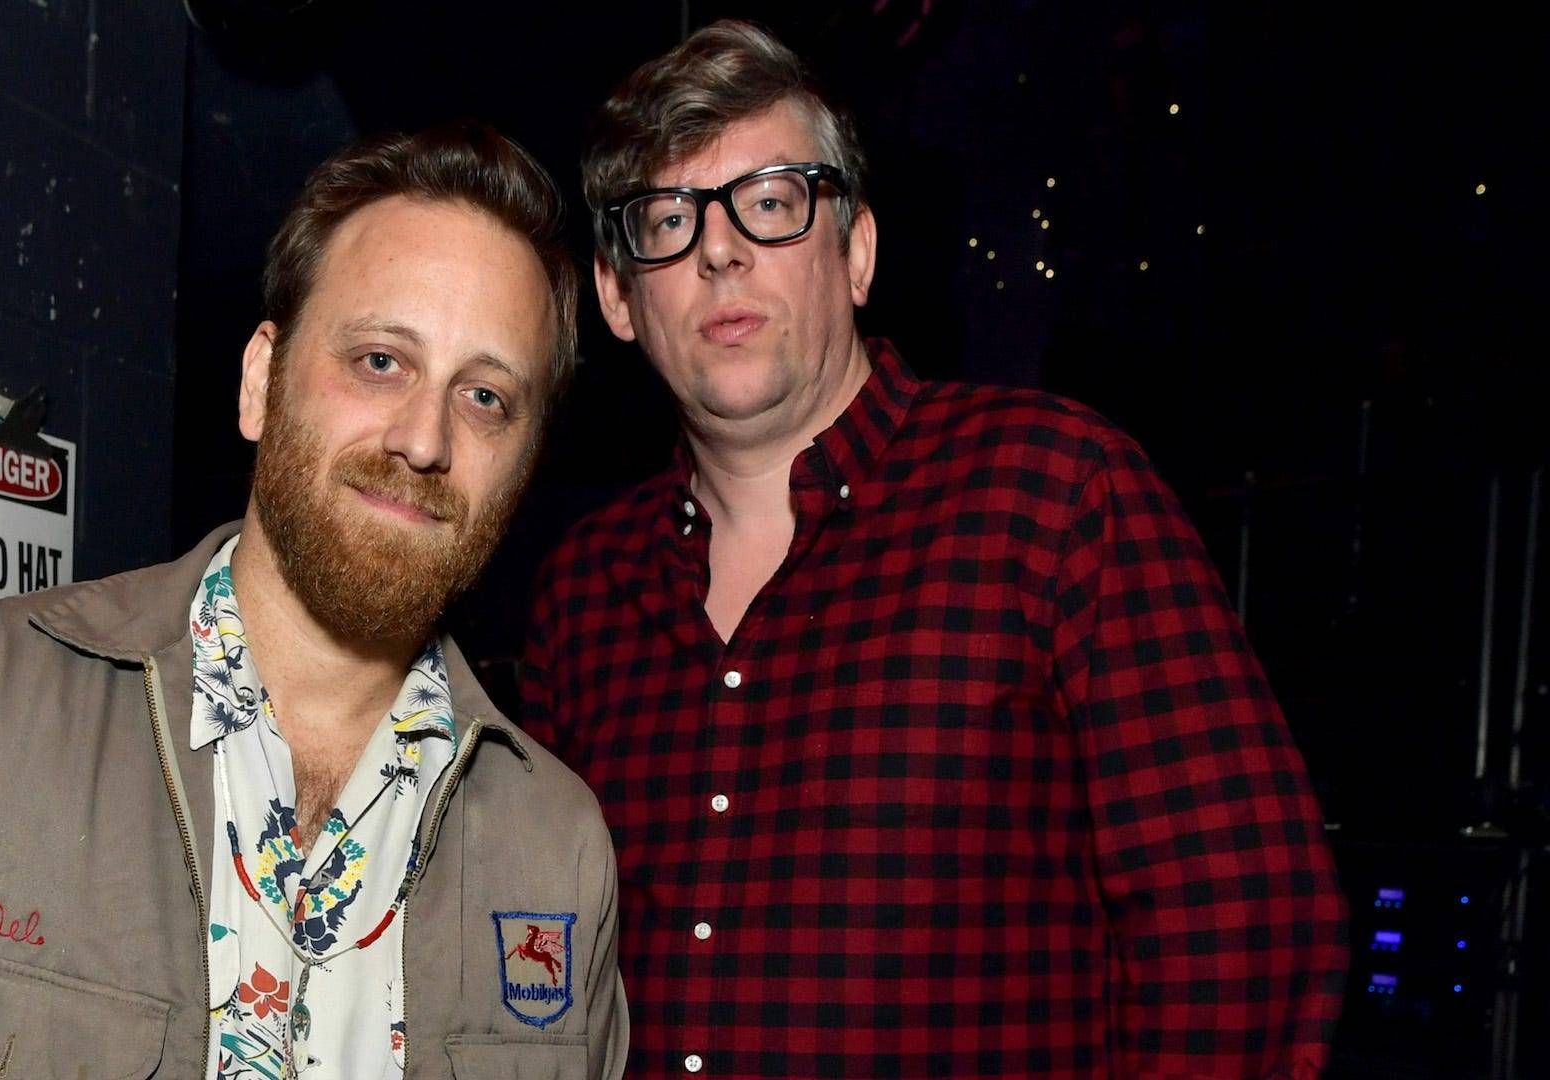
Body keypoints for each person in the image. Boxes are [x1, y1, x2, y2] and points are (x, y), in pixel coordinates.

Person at [520, 21, 1345, 1078]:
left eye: (770, 202)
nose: (719, 251)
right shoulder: (585, 590)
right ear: (619, 296)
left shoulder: (1052, 494)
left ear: (856, 251)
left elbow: (1244, 917)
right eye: (669, 220)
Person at [0, 124, 626, 1080]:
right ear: (261, 382)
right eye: (380, 360)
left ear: (523, 468)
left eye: (486, 397)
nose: (424, 438)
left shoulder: (559, 851)